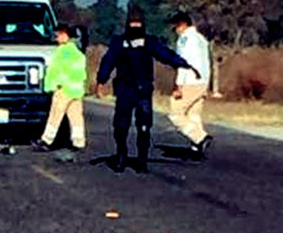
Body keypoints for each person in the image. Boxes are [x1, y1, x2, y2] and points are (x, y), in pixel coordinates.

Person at [95, 10, 199, 174]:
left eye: (138, 23)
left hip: (143, 90)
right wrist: (101, 80)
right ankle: (121, 156)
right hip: (124, 89)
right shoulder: (119, 42)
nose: (135, 26)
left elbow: (165, 54)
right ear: (127, 23)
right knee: (121, 127)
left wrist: (182, 64)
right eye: (132, 23)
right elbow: (108, 60)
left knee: (144, 127)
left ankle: (142, 161)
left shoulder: (150, 41)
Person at [33, 24, 87, 153]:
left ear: (64, 35)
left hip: (64, 89)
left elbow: (55, 71)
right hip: (76, 89)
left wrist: (51, 85)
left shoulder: (63, 52)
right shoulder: (77, 53)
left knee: (55, 115)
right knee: (76, 117)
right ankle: (79, 142)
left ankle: (46, 140)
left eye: (57, 35)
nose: (56, 39)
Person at [168, 12, 214, 158]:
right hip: (202, 81)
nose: (175, 30)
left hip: (190, 81)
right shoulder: (201, 39)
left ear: (181, 25)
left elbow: (182, 63)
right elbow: (207, 62)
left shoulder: (185, 40)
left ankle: (200, 138)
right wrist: (207, 84)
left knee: (175, 114)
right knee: (193, 114)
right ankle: (196, 149)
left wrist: (178, 85)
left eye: (175, 27)